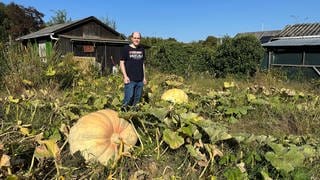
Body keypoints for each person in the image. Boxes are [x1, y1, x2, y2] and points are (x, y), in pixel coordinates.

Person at [120, 32, 147, 110]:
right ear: (131, 38)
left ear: (140, 39)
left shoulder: (142, 49)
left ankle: (133, 116)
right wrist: (125, 76)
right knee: (128, 98)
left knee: (137, 100)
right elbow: (121, 63)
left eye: (138, 38)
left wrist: (144, 77)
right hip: (130, 79)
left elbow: (142, 64)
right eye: (135, 38)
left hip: (140, 80)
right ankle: (123, 115)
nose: (136, 40)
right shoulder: (126, 48)